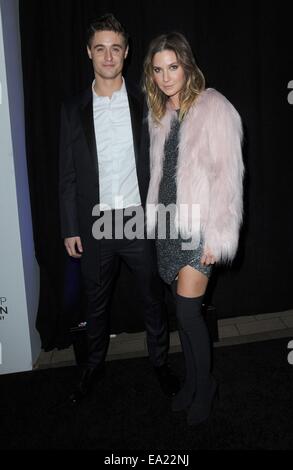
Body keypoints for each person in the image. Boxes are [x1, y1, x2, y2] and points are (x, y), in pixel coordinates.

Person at [59, 14, 179, 405]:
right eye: (100, 48)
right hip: (95, 223)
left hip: (138, 219)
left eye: (115, 48)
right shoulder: (73, 108)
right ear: (88, 53)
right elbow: (68, 174)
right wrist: (70, 227)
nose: (108, 56)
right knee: (95, 305)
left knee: (152, 300)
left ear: (126, 53)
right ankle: (94, 366)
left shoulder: (147, 102)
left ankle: (160, 364)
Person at [143, 32, 244, 425]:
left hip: (201, 229)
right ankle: (192, 382)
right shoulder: (161, 115)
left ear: (187, 65)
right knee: (182, 314)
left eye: (173, 67)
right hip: (170, 226)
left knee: (188, 313)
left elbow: (228, 180)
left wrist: (217, 238)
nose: (166, 77)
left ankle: (206, 387)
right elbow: (163, 175)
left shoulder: (214, 107)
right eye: (158, 70)